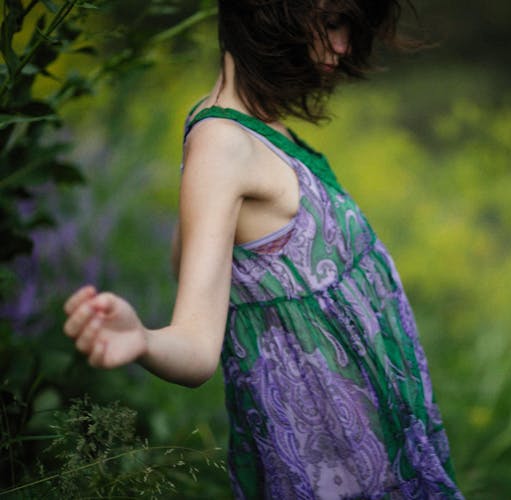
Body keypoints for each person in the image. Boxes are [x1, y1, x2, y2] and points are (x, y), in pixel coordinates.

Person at [63, 0, 463, 498]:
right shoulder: (221, 144)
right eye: (332, 22)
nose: (342, 46)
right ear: (268, 14)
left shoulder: (249, 126)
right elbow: (196, 344)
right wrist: (141, 338)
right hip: (329, 469)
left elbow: (187, 262)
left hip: (370, 450)